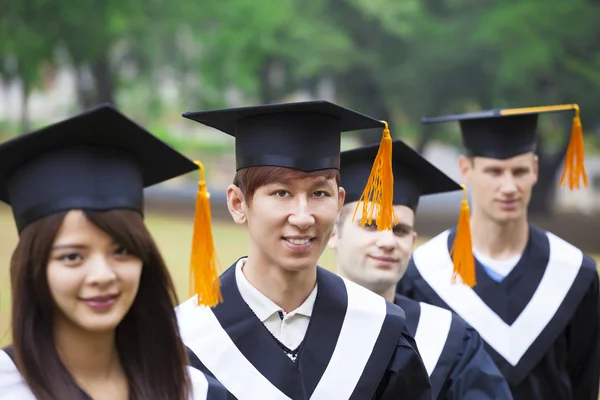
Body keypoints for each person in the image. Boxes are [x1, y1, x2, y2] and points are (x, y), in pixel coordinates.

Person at [176, 100, 432, 399]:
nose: (303, 217)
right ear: (237, 204)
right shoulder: (185, 338)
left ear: (339, 202)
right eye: (281, 193)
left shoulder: (379, 329)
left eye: (319, 193)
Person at [0, 105, 227, 399]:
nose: (103, 275)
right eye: (72, 256)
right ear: (34, 268)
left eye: (121, 251)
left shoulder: (192, 391)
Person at [397, 104, 600, 400]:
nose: (509, 186)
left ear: (535, 170)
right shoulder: (423, 274)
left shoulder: (574, 274)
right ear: (465, 170)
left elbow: (584, 382)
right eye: (494, 171)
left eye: (519, 171)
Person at [328, 139, 514, 399]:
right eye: (370, 225)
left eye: (400, 230)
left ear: (412, 241)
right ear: (332, 233)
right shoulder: (294, 323)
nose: (388, 241)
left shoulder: (448, 338)